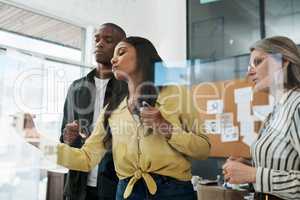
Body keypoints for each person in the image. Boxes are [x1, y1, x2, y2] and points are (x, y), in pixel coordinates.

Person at [57, 36, 211, 200]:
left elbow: (203, 149)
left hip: (174, 192)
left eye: (121, 52)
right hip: (127, 193)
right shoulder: (111, 109)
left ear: (143, 56)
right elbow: (86, 158)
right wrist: (37, 140)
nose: (113, 59)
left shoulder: (177, 94)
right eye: (114, 55)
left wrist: (165, 127)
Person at [222, 36, 300, 200]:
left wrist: (254, 174)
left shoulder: (297, 106)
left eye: (258, 62)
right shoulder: (277, 110)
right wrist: (249, 167)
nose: (249, 72)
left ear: (284, 62)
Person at [60, 23, 127, 200]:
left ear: (121, 48)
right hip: (78, 187)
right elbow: (64, 137)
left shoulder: (129, 89)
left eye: (108, 40)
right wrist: (68, 136)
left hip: (115, 186)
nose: (99, 43)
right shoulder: (76, 87)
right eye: (97, 39)